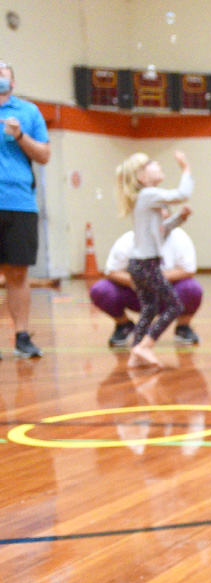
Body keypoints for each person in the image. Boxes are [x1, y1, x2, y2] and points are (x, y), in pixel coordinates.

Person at [114, 150, 192, 368]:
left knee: (150, 308)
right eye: (150, 163)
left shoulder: (144, 198)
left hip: (139, 265)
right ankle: (145, 346)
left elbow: (160, 230)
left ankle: (135, 355)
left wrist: (179, 218)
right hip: (146, 265)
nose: (157, 163)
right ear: (141, 176)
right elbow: (182, 194)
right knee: (175, 306)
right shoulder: (148, 194)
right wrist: (185, 168)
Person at [0, 59, 51, 359]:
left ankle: (21, 335)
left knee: (17, 273)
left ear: (13, 82)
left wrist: (19, 135)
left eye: (3, 74)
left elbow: (44, 155)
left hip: (19, 202)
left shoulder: (28, 112)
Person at [92, 212, 203, 347]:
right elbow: (112, 271)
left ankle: (164, 336)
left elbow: (188, 270)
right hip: (139, 292)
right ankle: (129, 332)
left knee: (188, 292)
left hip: (164, 292)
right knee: (103, 290)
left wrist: (155, 280)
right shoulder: (130, 241)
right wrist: (138, 282)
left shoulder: (178, 238)